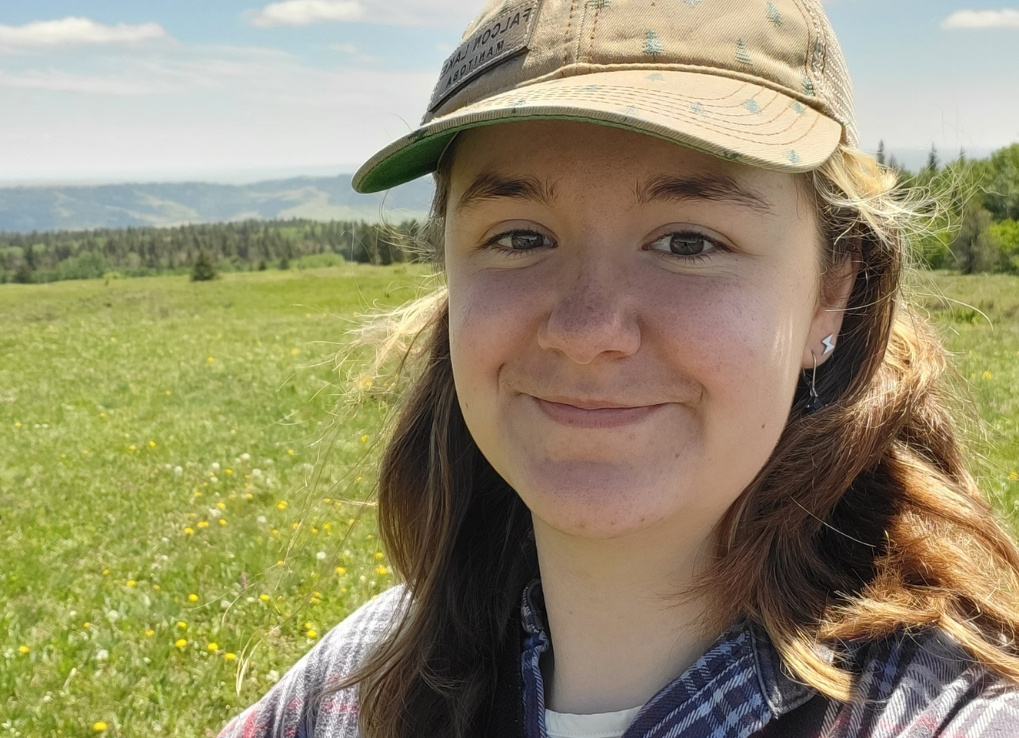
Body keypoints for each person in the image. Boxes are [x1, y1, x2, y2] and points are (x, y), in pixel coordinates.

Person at [219, 1, 1019, 736]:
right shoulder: (344, 695)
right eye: (519, 237)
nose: (586, 331)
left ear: (830, 294)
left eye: (687, 242)